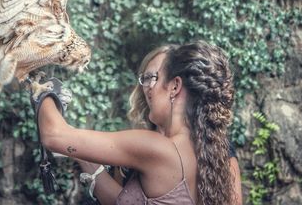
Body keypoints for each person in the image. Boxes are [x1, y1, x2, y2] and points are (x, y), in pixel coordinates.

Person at [34, 40, 235, 204]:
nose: (148, 89)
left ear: (175, 86)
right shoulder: (206, 154)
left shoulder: (159, 148)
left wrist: (40, 88)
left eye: (154, 79)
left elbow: (53, 135)